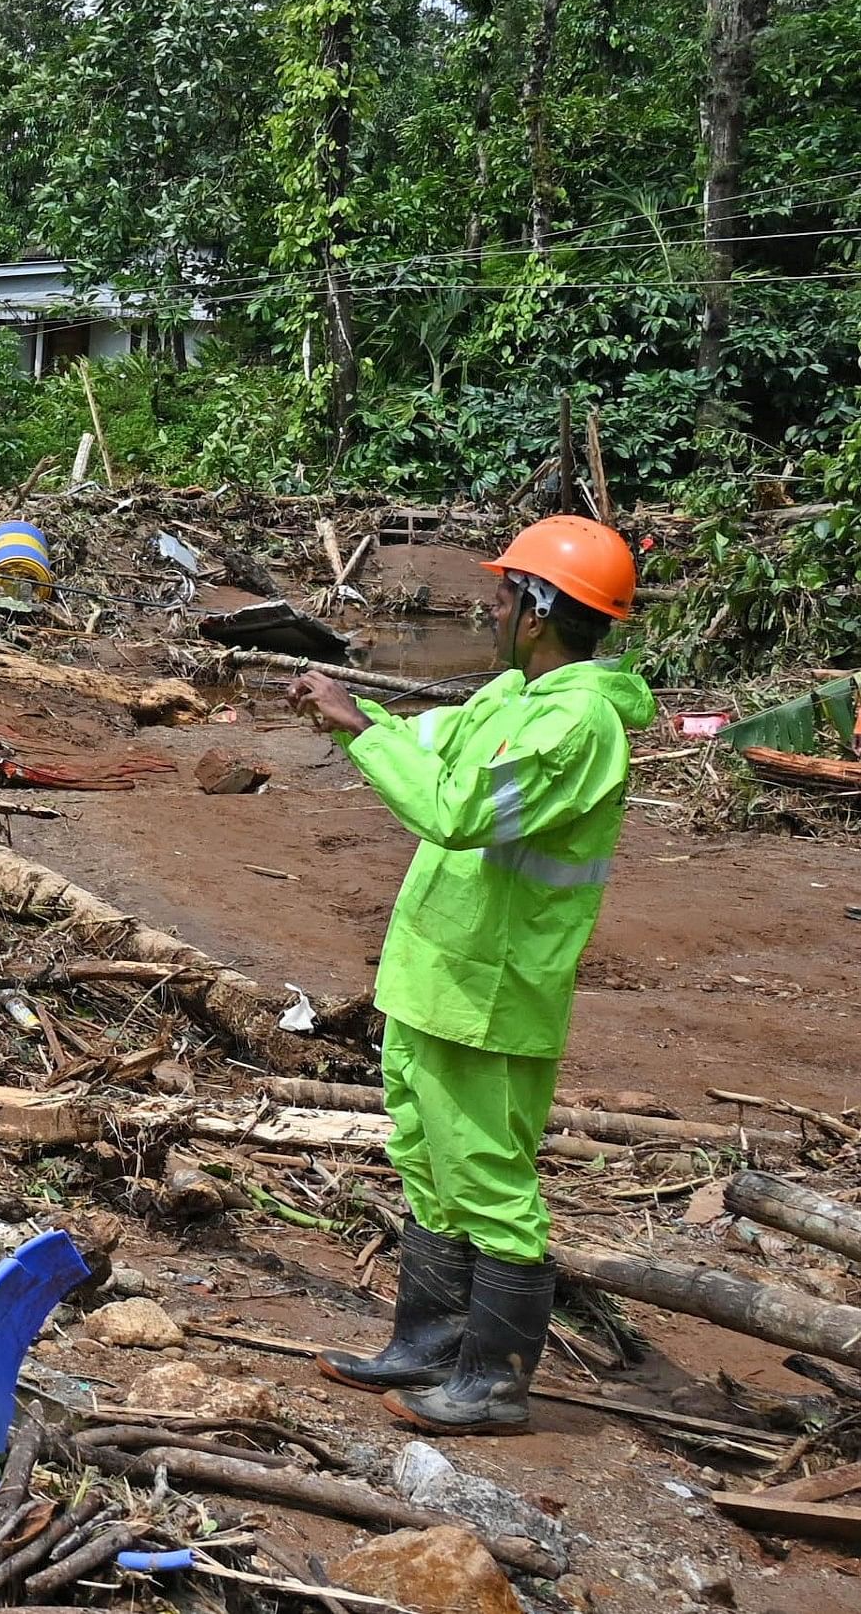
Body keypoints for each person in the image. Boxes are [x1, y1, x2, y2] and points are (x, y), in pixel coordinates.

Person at [285, 515, 652, 1434]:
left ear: (535, 611)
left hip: (491, 992)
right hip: (434, 977)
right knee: (426, 1159)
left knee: (488, 1178)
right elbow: (429, 746)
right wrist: (359, 719)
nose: (486, 605)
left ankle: (491, 1382)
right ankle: (428, 1342)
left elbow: (455, 811)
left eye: (500, 593)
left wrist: (355, 734)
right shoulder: (509, 697)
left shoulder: (577, 725)